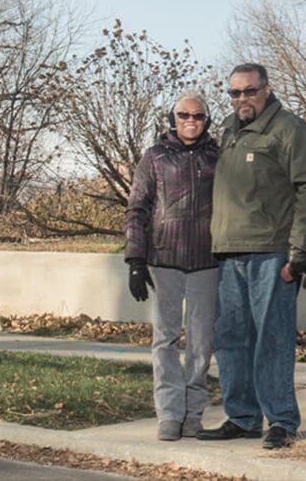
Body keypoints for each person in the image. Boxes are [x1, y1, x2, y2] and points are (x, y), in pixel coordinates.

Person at [197, 62, 306, 450]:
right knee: (231, 339)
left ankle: (282, 421)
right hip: (228, 252)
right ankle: (242, 416)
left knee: (272, 339)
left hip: (271, 253)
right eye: (235, 93)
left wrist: (300, 249)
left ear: (266, 90)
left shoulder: (289, 130)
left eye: (249, 91)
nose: (242, 99)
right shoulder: (226, 131)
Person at [124, 91, 219, 442]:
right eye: (183, 115)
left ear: (206, 120)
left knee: (200, 343)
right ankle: (168, 413)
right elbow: (137, 208)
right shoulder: (155, 157)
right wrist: (135, 258)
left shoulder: (217, 157)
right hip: (164, 260)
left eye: (197, 116)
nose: (190, 121)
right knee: (164, 340)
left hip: (207, 262)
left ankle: (193, 414)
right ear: (172, 119)